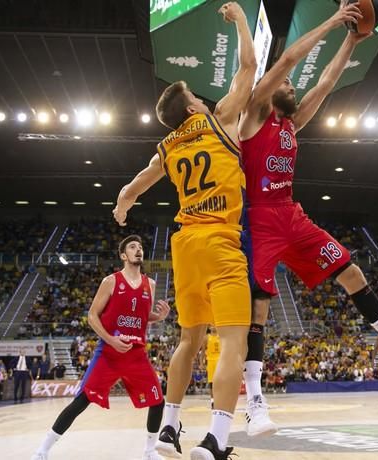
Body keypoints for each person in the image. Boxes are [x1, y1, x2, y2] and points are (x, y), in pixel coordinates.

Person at [237, 1, 378, 436]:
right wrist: (334, 21)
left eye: (294, 84)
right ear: (271, 86)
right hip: (258, 221)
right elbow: (289, 59)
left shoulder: (293, 123)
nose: (294, 85)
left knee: (349, 270)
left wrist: (352, 39)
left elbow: (327, 81)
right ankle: (255, 403)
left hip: (292, 215)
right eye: (288, 83)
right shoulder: (254, 114)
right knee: (257, 312)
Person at [113, 4, 257, 458]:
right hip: (219, 239)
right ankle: (215, 439)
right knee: (234, 338)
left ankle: (169, 428)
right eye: (195, 93)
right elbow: (250, 68)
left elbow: (135, 184)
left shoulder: (168, 146)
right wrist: (239, 20)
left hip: (185, 246)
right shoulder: (218, 120)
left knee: (188, 340)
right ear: (193, 105)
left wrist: (123, 204)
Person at [31, 235, 171, 460]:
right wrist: (110, 339)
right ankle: (42, 450)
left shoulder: (150, 284)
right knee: (81, 401)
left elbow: (142, 316)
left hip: (136, 354)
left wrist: (158, 317)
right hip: (109, 352)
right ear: (124, 255)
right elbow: (92, 316)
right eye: (133, 247)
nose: (138, 250)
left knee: (158, 401)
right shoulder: (111, 281)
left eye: (141, 247)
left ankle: (149, 452)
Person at [206, 327, 221, 409]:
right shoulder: (206, 337)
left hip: (220, 361)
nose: (213, 326)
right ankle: (212, 401)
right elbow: (202, 351)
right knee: (211, 383)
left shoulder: (221, 336)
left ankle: (219, 399)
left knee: (220, 382)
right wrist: (201, 363)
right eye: (211, 325)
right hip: (210, 362)